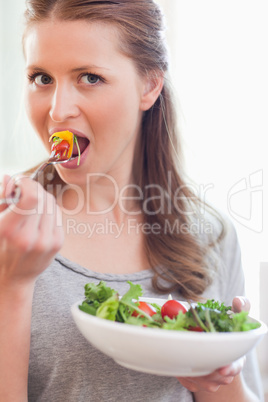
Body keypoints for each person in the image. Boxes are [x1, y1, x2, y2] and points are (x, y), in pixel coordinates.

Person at [0, 0, 264, 401]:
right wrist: (11, 286)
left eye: (89, 77)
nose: (58, 110)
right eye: (41, 78)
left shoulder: (209, 235)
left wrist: (219, 360)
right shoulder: (8, 228)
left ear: (149, 86)